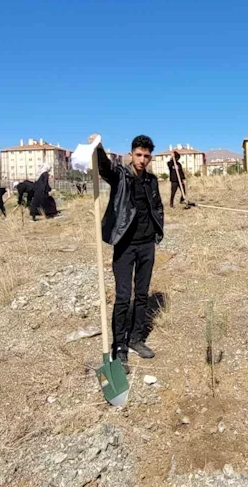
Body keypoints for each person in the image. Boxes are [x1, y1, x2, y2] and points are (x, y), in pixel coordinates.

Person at [93, 134, 164, 373]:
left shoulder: (152, 181)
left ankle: (136, 338)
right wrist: (98, 147)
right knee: (124, 296)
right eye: (138, 155)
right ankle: (120, 346)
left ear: (150, 157)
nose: (142, 160)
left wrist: (157, 232)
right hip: (125, 245)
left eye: (146, 156)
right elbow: (104, 169)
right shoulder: (121, 176)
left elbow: (157, 207)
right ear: (131, 154)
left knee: (142, 295)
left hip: (147, 245)